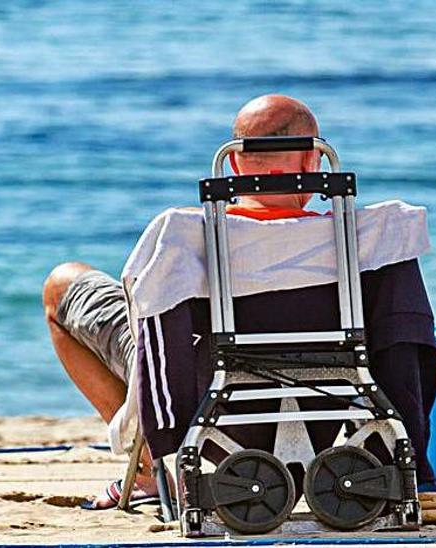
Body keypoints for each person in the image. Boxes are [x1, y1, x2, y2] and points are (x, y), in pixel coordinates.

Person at [41, 94, 324, 509]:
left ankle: (148, 468)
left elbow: (146, 310)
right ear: (313, 163)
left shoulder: (185, 233)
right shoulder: (361, 238)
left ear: (234, 164)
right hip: (322, 400)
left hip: (199, 393)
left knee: (61, 286)